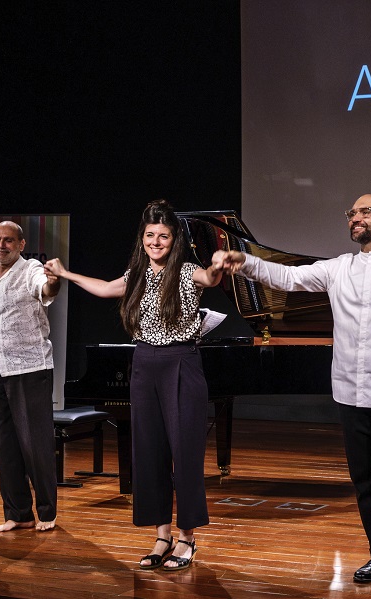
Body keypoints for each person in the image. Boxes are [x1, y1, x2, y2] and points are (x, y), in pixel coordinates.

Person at [214, 193, 371, 588]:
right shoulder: (338, 268)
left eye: (366, 211)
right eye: (352, 213)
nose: (357, 218)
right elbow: (288, 278)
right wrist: (245, 262)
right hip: (350, 395)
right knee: (364, 481)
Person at [43, 199, 224, 571]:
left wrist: (218, 263)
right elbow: (106, 288)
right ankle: (161, 536)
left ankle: (187, 539)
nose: (156, 242)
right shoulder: (137, 273)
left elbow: (210, 278)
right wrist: (66, 274)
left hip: (180, 363)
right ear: (142, 239)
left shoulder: (188, 271)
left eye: (163, 237)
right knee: (149, 453)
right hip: (144, 364)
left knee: (185, 456)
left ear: (175, 241)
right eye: (150, 236)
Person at [0, 220, 61, 533]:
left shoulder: (31, 269)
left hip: (30, 368)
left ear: (20, 244)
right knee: (5, 447)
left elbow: (47, 289)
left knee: (35, 445)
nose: (1, 245)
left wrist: (54, 280)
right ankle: (18, 514)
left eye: (9, 240)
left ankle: (47, 513)